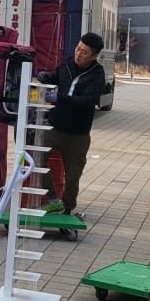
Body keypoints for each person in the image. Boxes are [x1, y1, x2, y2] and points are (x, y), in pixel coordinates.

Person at [37, 32, 107, 220]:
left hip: (78, 134)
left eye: (84, 52)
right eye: (78, 48)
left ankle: (67, 211)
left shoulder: (97, 75)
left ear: (94, 56)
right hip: (55, 126)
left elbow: (87, 101)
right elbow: (56, 78)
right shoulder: (67, 63)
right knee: (36, 156)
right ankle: (53, 200)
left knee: (72, 176)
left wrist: (59, 98)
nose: (78, 54)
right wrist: (46, 78)